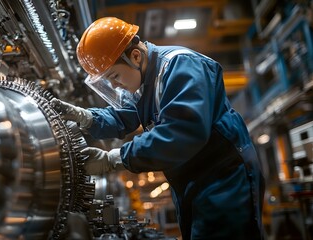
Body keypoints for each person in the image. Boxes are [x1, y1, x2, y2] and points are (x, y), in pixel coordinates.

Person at [51, 17, 265, 239]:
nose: (114, 85)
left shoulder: (180, 66)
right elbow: (122, 117)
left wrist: (115, 158)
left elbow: (181, 133)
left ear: (135, 56)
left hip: (224, 176)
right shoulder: (144, 83)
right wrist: (85, 117)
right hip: (189, 179)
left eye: (114, 76)